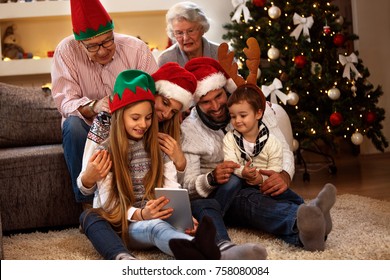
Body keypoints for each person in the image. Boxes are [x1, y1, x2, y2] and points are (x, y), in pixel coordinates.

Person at [79, 67, 267, 260]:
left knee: (199, 206)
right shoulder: (105, 145)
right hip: (122, 217)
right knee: (91, 217)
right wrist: (142, 213)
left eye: (148, 118)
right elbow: (107, 202)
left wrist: (181, 216)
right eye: (136, 118)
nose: (145, 123)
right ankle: (126, 258)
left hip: (152, 212)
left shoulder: (160, 142)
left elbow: (172, 188)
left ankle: (221, 249)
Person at [182, 56, 337, 251]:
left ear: (226, 89)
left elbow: (282, 148)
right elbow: (187, 187)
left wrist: (283, 175)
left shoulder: (251, 106)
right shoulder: (189, 130)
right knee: (244, 194)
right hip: (220, 196)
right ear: (195, 103)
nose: (215, 107)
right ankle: (303, 217)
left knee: (267, 194)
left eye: (219, 96)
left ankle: (310, 227)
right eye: (205, 102)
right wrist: (211, 178)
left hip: (256, 180)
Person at [51, 0, 158, 205]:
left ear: (113, 31)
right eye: (92, 46)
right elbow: (65, 102)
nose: (102, 50)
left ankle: (144, 199)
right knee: (72, 125)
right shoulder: (65, 51)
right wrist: (94, 106)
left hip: (130, 125)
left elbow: (156, 91)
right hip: (87, 125)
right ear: (79, 43)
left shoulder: (136, 49)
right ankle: (87, 205)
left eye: (107, 41)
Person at [223, 83, 283, 186]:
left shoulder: (273, 143)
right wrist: (242, 172)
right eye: (233, 116)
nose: (237, 120)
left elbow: (276, 169)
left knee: (287, 196)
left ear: (258, 114)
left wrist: (261, 178)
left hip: (264, 185)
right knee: (230, 184)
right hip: (240, 185)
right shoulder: (229, 138)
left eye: (243, 115)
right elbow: (230, 162)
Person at [157, 1, 219, 67]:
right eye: (179, 33)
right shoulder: (166, 59)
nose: (186, 38)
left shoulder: (221, 53)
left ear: (202, 29)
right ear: (173, 34)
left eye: (190, 31)